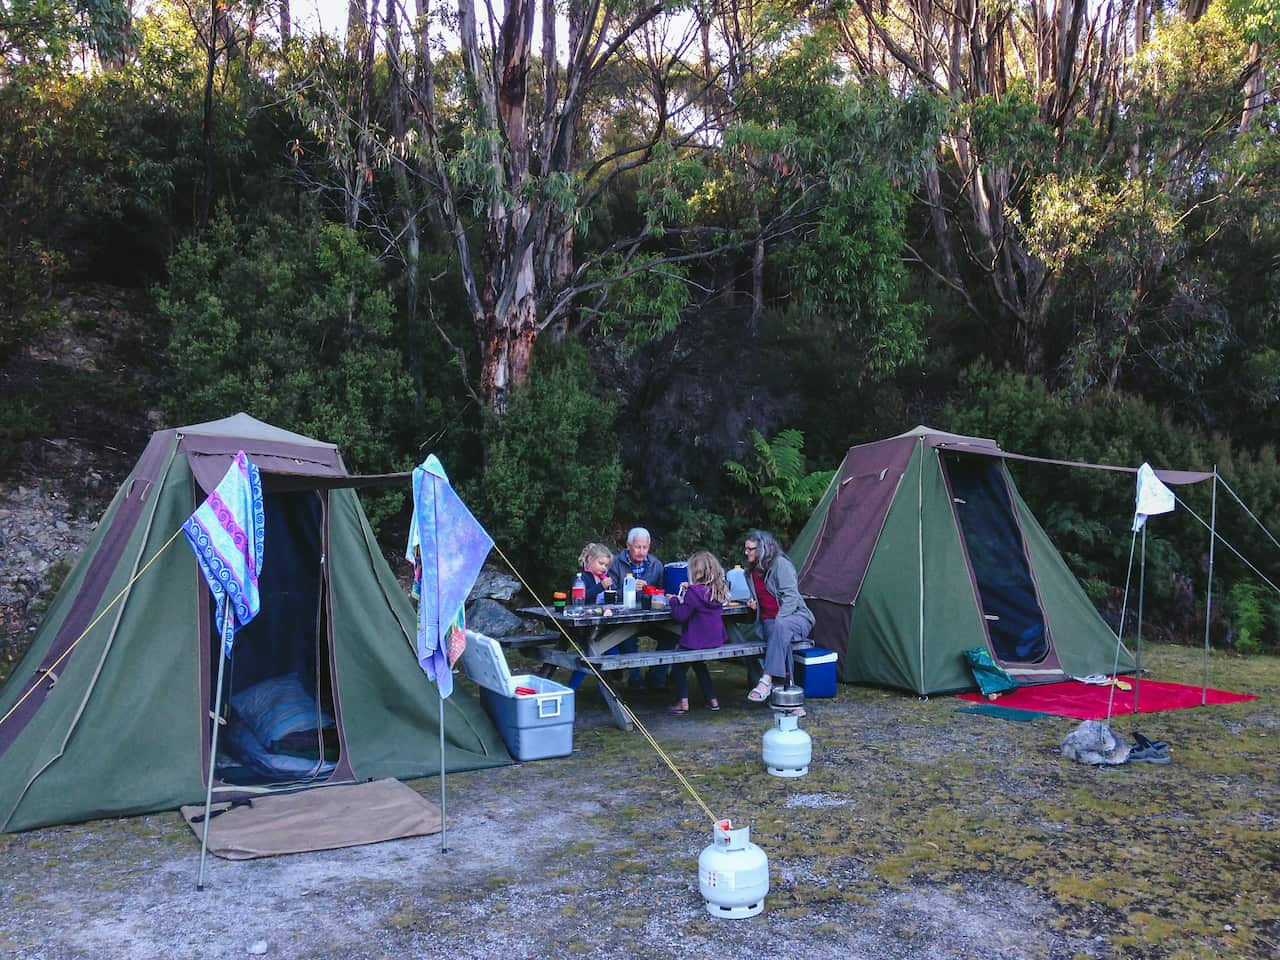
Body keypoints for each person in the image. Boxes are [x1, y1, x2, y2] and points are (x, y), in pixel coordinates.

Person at [742, 529, 814, 713]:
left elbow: (791, 598)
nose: (746, 552)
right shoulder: (749, 573)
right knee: (781, 634)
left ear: (762, 549)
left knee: (781, 628)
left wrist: (780, 621)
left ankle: (766, 681)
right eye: (746, 549)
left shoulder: (781, 565)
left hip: (797, 617)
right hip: (770, 623)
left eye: (750, 549)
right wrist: (753, 604)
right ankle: (791, 702)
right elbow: (762, 600)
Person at [667, 551, 727, 715]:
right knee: (699, 664)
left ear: (694, 572)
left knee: (679, 667)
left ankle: (682, 701)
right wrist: (690, 589)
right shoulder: (717, 590)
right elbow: (701, 599)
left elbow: (680, 616)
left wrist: (673, 600)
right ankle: (712, 699)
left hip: (696, 640)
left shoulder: (694, 593)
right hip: (714, 639)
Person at [608, 527, 667, 688]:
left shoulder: (656, 565)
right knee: (626, 637)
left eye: (645, 547)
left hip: (651, 617)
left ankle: (656, 676)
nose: (641, 552)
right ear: (628, 545)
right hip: (625, 618)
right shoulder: (615, 563)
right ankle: (634, 680)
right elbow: (608, 594)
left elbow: (663, 593)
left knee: (672, 635)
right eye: (637, 547)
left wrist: (652, 592)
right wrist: (629, 588)